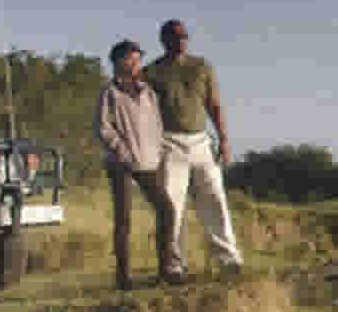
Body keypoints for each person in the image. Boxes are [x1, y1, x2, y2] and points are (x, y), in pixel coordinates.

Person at [145, 17, 243, 282]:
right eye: (175, 36)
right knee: (172, 206)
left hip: (201, 141)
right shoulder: (151, 73)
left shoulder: (202, 66)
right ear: (163, 40)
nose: (181, 40)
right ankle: (174, 265)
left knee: (215, 200)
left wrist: (224, 139)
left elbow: (214, 104)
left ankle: (228, 260)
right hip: (168, 143)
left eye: (184, 35)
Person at [92, 38, 174, 290]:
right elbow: (103, 129)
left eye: (139, 58)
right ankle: (123, 276)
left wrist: (160, 151)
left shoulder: (148, 93)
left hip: (150, 161)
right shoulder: (109, 93)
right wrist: (123, 153)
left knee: (167, 210)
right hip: (121, 164)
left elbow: (157, 125)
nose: (138, 63)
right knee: (123, 219)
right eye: (133, 58)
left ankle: (165, 270)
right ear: (119, 61)